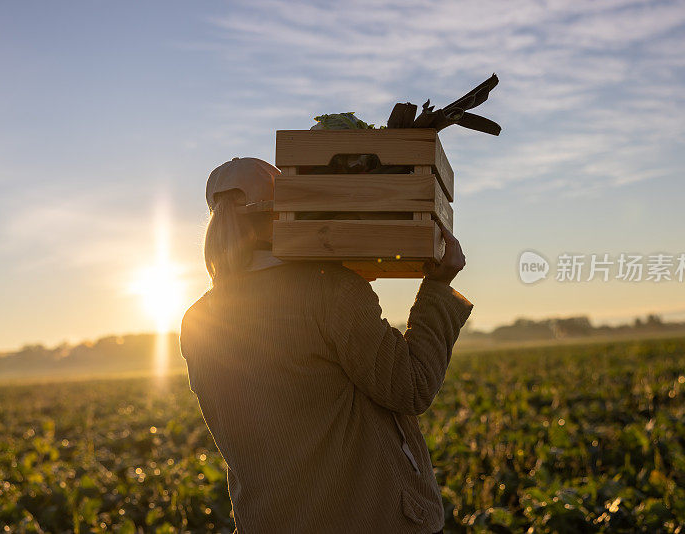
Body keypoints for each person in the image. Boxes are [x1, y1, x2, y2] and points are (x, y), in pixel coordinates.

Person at [180, 157, 474, 533]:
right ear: (283, 213)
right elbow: (411, 386)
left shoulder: (197, 319)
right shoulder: (328, 290)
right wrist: (438, 287)